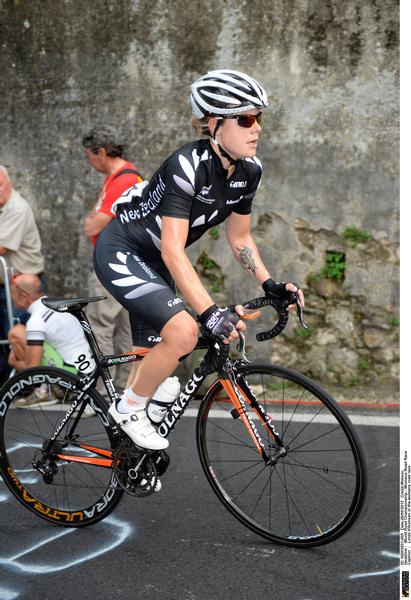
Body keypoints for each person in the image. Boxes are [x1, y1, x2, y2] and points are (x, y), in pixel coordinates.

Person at [94, 69, 305, 456]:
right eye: (244, 118)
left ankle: (127, 459)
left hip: (155, 262)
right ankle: (129, 409)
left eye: (258, 118)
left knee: (165, 373)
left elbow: (240, 237)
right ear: (214, 124)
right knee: (185, 333)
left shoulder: (249, 171)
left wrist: (269, 284)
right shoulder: (188, 166)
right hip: (123, 251)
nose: (255, 128)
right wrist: (208, 311)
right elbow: (174, 250)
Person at [82, 126, 143, 392]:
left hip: (113, 264)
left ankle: (105, 393)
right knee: (124, 328)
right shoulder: (123, 177)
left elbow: (93, 225)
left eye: (89, 155)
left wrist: (91, 220)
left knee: (100, 325)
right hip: (127, 262)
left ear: (102, 152)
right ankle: (124, 389)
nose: (89, 161)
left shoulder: (123, 180)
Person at [8, 273, 96, 407]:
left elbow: (32, 370)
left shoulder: (37, 319)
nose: (12, 298)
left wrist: (13, 362)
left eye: (12, 293)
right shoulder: (53, 304)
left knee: (16, 332)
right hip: (85, 371)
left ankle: (44, 391)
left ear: (24, 296)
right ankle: (47, 389)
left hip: (68, 381)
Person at [0, 166, 44, 340]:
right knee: (7, 335)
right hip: (8, 283)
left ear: (10, 183)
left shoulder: (17, 208)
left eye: (1, 184)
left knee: (19, 334)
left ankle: (24, 368)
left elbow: (1, 247)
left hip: (23, 284)